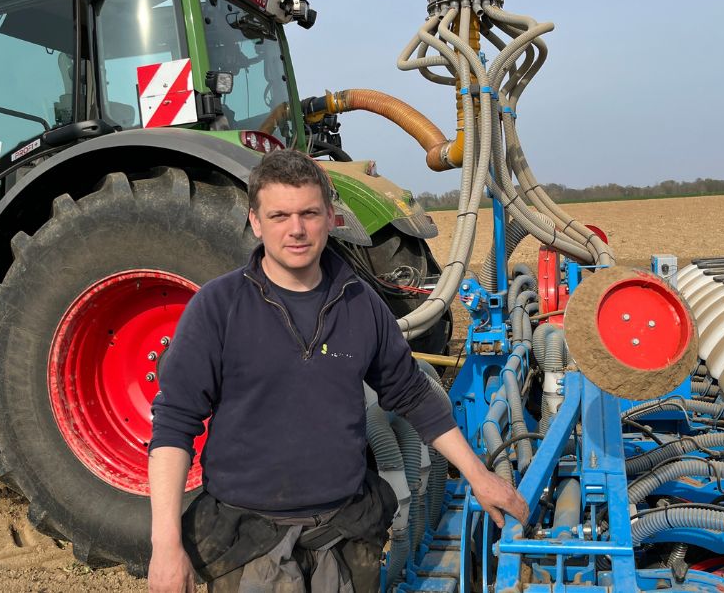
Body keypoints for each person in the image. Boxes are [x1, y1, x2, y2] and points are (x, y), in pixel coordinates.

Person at [147, 149, 528, 592]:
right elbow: (175, 424)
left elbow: (412, 395)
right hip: (248, 540)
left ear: (330, 216)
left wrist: (480, 477)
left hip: (344, 534)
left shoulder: (360, 303)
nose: (296, 229)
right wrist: (165, 545)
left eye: (309, 213)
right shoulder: (218, 307)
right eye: (279, 215)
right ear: (255, 221)